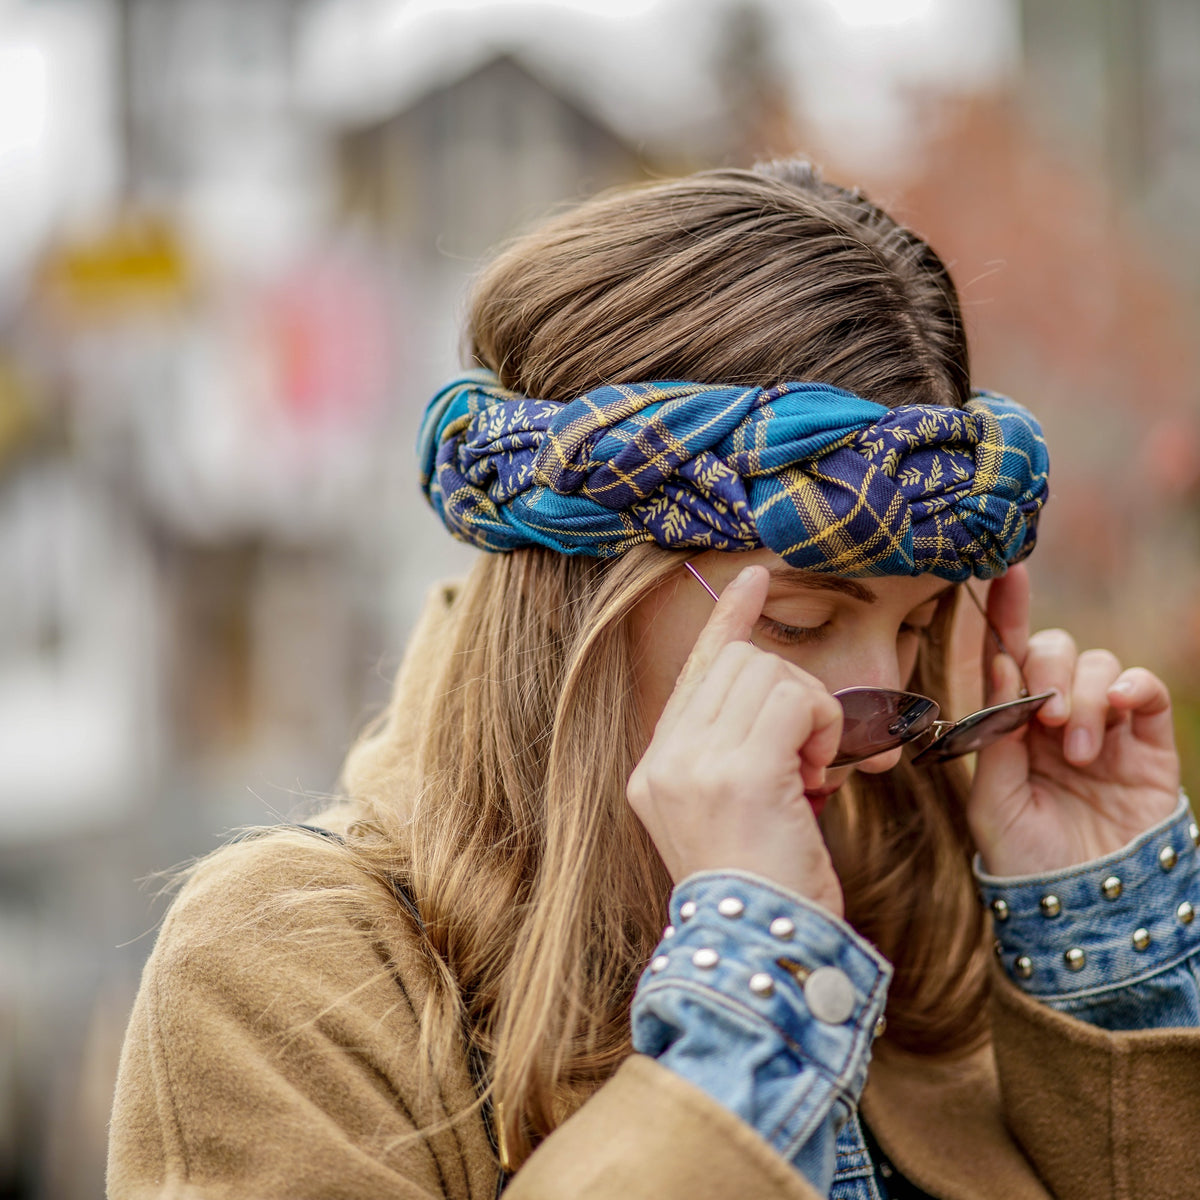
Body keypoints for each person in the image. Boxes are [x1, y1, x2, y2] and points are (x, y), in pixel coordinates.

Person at [107, 161, 1200, 1200]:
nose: (873, 716)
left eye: (915, 629)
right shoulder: (288, 972)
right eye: (797, 620)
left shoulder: (932, 884)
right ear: (583, 591)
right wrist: (750, 987)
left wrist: (1097, 952)